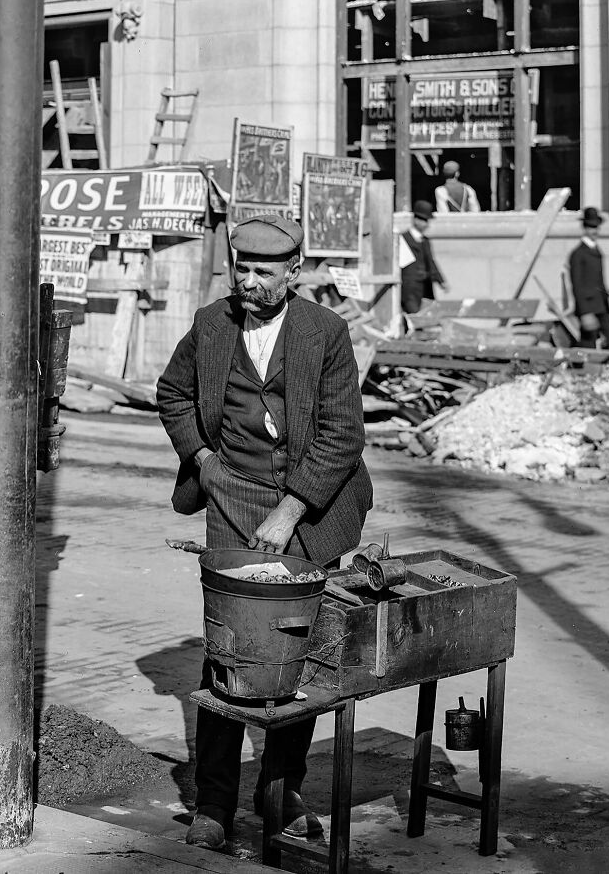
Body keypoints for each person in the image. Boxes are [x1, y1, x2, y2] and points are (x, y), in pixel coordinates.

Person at [157, 213, 373, 851]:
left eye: (263, 272)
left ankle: (280, 794)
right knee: (228, 654)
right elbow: (172, 394)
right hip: (230, 498)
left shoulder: (325, 333)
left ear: (293, 272)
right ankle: (215, 806)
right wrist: (202, 459)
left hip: (310, 507)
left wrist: (291, 510)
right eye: (240, 269)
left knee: (293, 655)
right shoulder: (210, 324)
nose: (248, 282)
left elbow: (342, 436)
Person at [568, 206, 609, 349]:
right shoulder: (578, 254)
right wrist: (584, 313)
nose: (594, 231)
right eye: (591, 227)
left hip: (600, 304)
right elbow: (576, 285)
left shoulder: (596, 250)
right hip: (587, 306)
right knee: (588, 343)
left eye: (596, 227)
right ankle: (582, 370)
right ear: (584, 228)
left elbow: (600, 280)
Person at [399, 200, 448, 314]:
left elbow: (431, 262)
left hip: (425, 287)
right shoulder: (403, 239)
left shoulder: (425, 240)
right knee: (413, 315)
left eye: (427, 221)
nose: (426, 224)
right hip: (408, 287)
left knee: (425, 315)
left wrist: (440, 280)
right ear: (415, 220)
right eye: (423, 220)